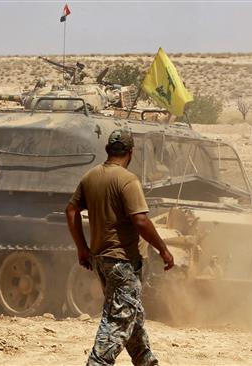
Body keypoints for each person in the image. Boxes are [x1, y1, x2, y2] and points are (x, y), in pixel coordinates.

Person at [65, 129, 174, 366]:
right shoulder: (127, 180)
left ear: (107, 150)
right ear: (131, 153)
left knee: (131, 316)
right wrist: (163, 250)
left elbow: (71, 210)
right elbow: (141, 220)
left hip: (102, 259)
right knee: (118, 320)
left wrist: (82, 248)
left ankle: (146, 361)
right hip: (122, 261)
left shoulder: (90, 177)